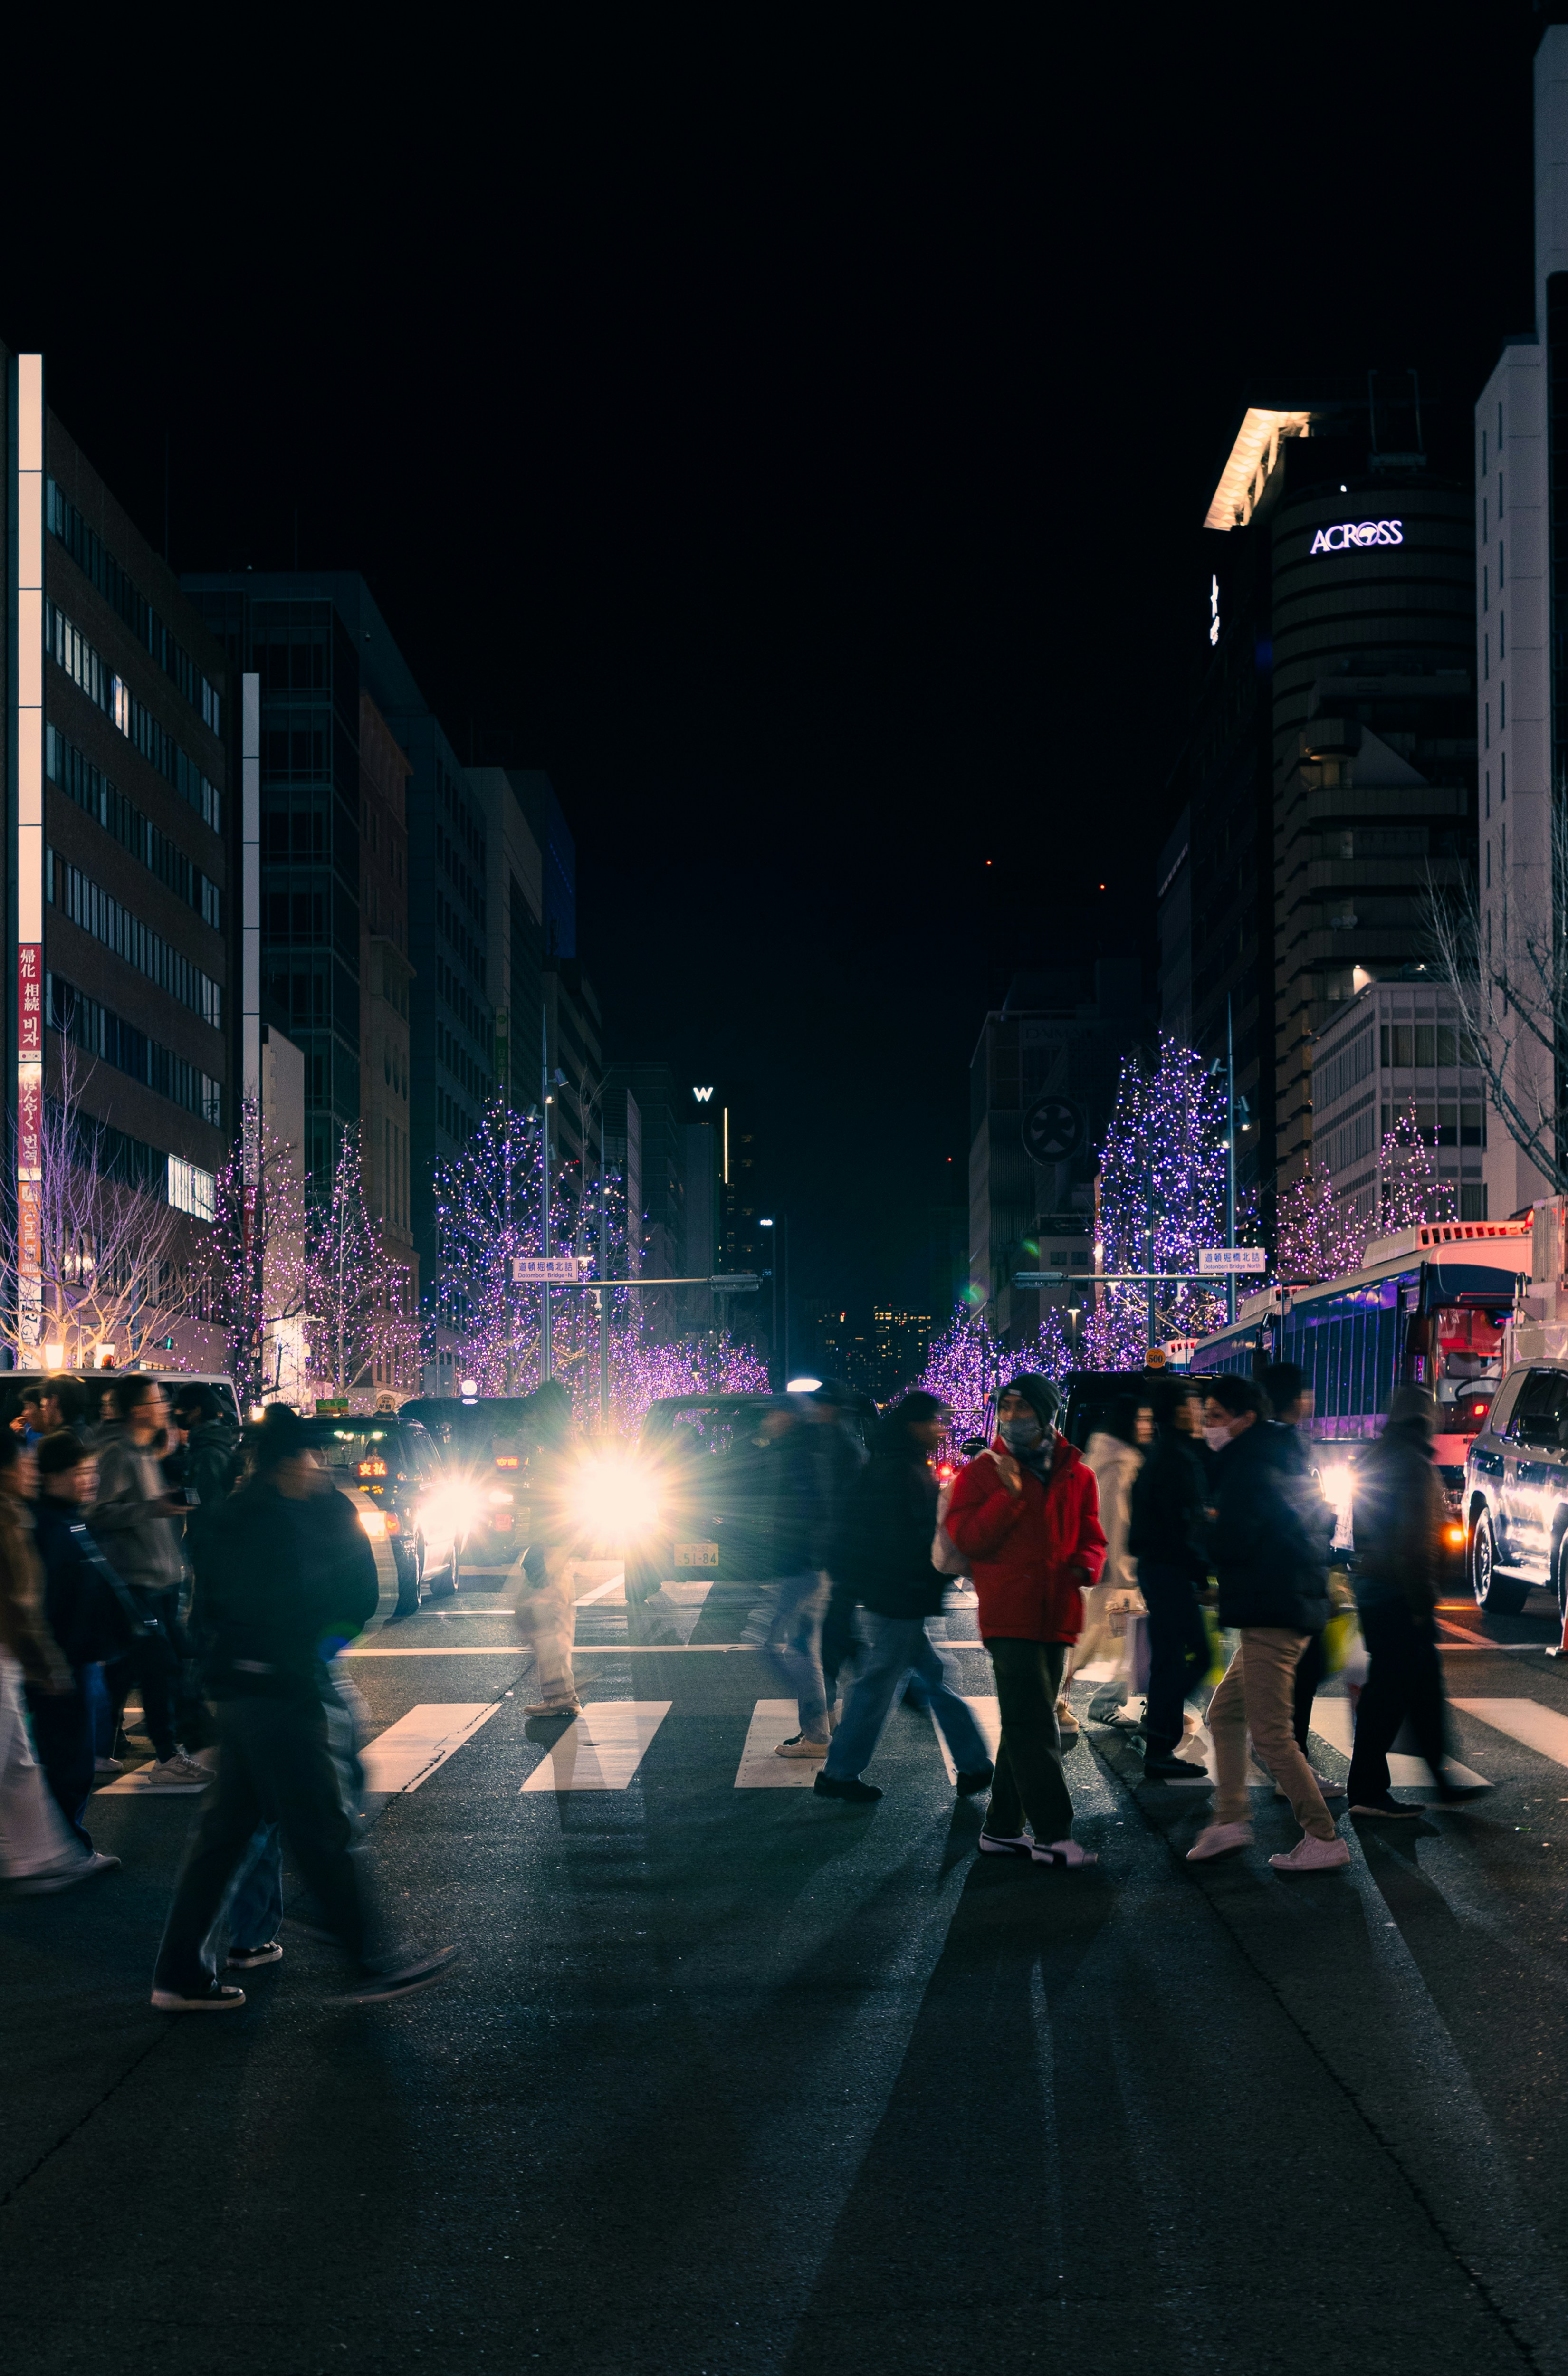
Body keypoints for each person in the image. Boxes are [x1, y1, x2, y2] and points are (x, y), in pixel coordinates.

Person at [150, 1404, 457, 2010]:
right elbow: (359, 1594)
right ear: (294, 1458)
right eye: (309, 1455)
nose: (315, 1465)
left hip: (242, 1692)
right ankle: (369, 1959)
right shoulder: (313, 1511)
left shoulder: (232, 1514)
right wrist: (318, 1652)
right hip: (286, 1692)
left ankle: (180, 1971)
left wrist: (203, 1694)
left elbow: (203, 1609)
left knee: (226, 1836)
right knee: (318, 1830)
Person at [1187, 1374, 1349, 1874]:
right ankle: (1230, 1817)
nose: (1208, 1426)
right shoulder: (1276, 1456)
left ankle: (1322, 1834)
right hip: (1279, 1608)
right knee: (1225, 1714)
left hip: (1272, 1614)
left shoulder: (1248, 1466)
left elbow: (1234, 1541)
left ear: (1245, 1419)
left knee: (1271, 1734)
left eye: (1215, 1416)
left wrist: (1202, 1533)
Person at [943, 1374, 1107, 1867]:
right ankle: (1056, 1835)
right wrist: (1008, 1496)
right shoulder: (984, 1471)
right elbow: (968, 1538)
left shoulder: (1078, 1471)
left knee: (1024, 1722)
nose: (1012, 1416)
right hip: (1009, 1613)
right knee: (1036, 1724)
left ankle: (1001, 1828)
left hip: (1057, 1612)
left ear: (1046, 1411)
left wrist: (1083, 1564)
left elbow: (1093, 1532)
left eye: (1022, 1407)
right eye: (1005, 1406)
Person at [813, 1393, 993, 1804]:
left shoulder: (893, 1461)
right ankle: (840, 1771)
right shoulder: (900, 1469)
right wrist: (924, 1582)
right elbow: (905, 1539)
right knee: (881, 1683)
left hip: (898, 1593)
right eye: (934, 1421)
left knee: (926, 1675)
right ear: (914, 1424)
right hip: (900, 1595)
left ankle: (973, 1764)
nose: (940, 1429)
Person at [1346, 1385, 1481, 1816]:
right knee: (1391, 1694)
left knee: (1417, 1689)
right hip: (1399, 1595)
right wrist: (1423, 1602)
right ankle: (1368, 1790)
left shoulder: (1377, 1456)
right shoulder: (1415, 1465)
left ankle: (1439, 1780)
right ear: (1427, 1419)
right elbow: (1417, 1542)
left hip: (1375, 1586)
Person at [0, 1428, 117, 1891]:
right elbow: (22, 1604)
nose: (30, 1469)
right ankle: (49, 1854)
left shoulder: (28, 1516)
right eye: (24, 1462)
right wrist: (46, 1661)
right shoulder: (18, 1519)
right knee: (23, 1763)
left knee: (20, 1766)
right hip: (16, 1656)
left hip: (19, 1659)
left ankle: (44, 1856)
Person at [28, 1429, 140, 1858]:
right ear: (52, 1475)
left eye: (92, 1471)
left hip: (80, 1659)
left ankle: (63, 1845)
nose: (89, 1479)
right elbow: (47, 1600)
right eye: (80, 1472)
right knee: (67, 1759)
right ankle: (66, 1849)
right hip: (63, 1662)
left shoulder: (69, 1519)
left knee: (71, 1756)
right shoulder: (48, 1525)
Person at [94, 1376, 209, 1788]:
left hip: (160, 1578)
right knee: (160, 1668)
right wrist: (151, 1508)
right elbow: (98, 1514)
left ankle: (100, 1748)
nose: (164, 1406)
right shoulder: (117, 1454)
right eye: (156, 1400)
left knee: (127, 1670)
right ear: (139, 1408)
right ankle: (166, 1755)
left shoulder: (145, 1451)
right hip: (135, 1579)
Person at [1262, 1360, 1342, 1802]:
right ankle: (1293, 1774)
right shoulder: (1286, 1445)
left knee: (1281, 1682)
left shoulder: (1274, 1443)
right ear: (1295, 1400)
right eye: (1306, 1392)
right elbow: (1300, 1514)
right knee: (1300, 1676)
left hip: (1285, 1582)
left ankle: (1285, 1769)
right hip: (1290, 1583)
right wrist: (1326, 1519)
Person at [1128, 1379, 1214, 1785]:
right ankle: (1161, 1734)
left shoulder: (1162, 1454)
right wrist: (1201, 1573)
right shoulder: (1177, 1458)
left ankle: (1160, 1743)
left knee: (1169, 1658)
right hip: (1170, 1570)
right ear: (1179, 1410)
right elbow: (1185, 1526)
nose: (1198, 1409)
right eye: (1193, 1402)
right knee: (1197, 1654)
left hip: (1158, 1568)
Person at [755, 1399, 837, 1756]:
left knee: (774, 1646)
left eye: (775, 1413)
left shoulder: (799, 1456)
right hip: (807, 1566)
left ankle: (818, 1725)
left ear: (788, 1417)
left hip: (801, 1567)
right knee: (804, 1651)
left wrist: (801, 1557)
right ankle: (818, 1730)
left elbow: (809, 1513)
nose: (769, 1420)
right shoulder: (802, 1450)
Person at [1066, 1395, 1150, 1737]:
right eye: (1142, 1419)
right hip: (1116, 1571)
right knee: (1105, 1640)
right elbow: (1115, 1522)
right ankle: (1081, 1704)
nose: (1147, 1426)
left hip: (1109, 1569)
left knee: (1107, 1641)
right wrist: (1124, 1575)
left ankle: (1151, 1706)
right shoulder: (1119, 1464)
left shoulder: (1107, 1456)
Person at [513, 1379, 582, 1717]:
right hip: (555, 1543)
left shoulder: (558, 1451)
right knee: (543, 1615)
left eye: (536, 1412)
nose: (531, 1419)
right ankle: (562, 1692)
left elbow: (563, 1505)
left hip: (555, 1543)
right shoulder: (559, 1447)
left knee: (542, 1614)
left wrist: (545, 1549)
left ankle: (562, 1694)